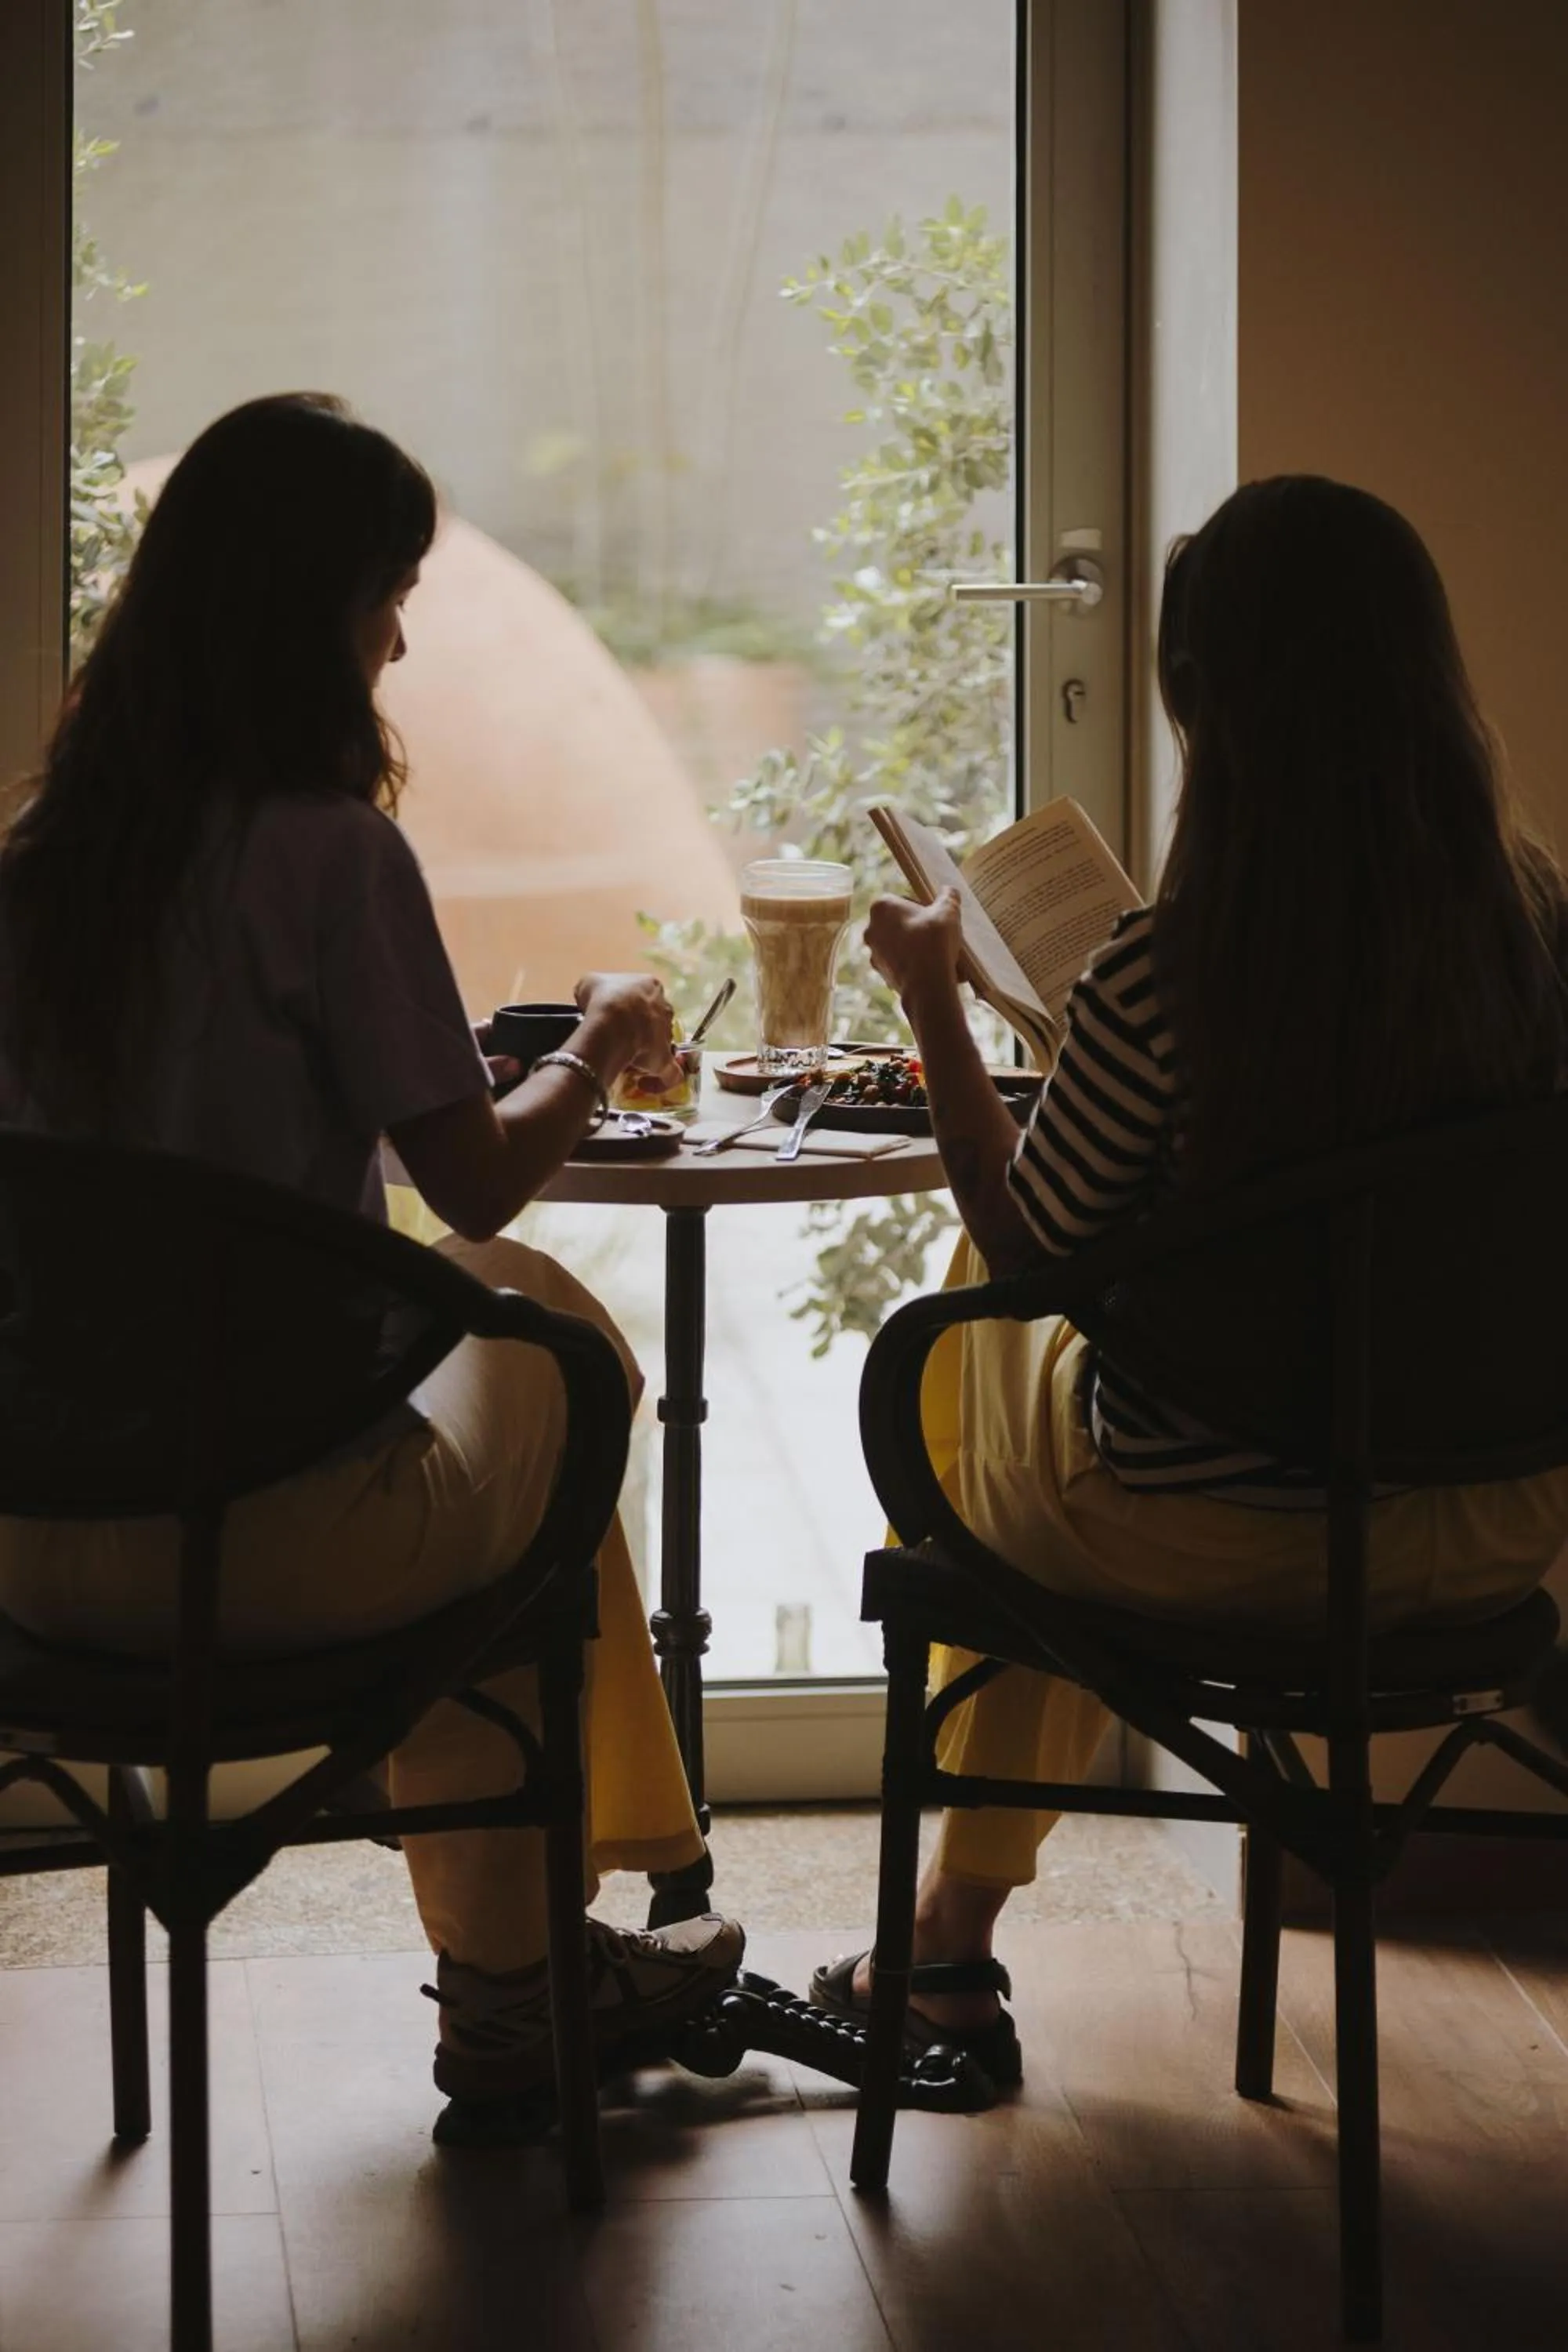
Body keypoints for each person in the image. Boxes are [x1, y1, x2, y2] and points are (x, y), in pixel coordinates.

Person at [0, 391, 742, 2119]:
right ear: (308, 616)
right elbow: (472, 1185)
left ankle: (538, 1971)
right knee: (565, 1384)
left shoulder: (32, 866)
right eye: (381, 594)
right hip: (260, 1533)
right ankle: (519, 1986)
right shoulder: (331, 857)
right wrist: (600, 1035)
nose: (402, 632)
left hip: (34, 1538)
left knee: (530, 1347)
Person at [813, 475, 1568, 2088]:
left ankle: (945, 1941)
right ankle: (948, 1928)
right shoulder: (1545, 941)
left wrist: (942, 998)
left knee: (973, 1307)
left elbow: (1033, 1255)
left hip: (1204, 1540)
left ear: (1206, 709)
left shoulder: (1169, 970)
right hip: (1487, 1531)